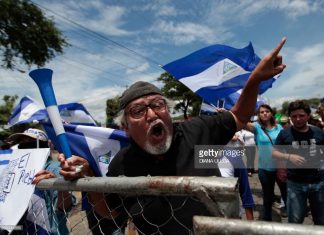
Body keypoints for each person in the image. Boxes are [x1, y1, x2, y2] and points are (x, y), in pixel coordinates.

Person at [59, 38, 286, 233]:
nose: (151, 114)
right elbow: (111, 212)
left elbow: (237, 116)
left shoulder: (197, 130)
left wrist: (255, 79)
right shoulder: (122, 164)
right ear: (126, 127)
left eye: (158, 105)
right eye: (138, 111)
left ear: (168, 112)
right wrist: (87, 179)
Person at [8, 128, 73, 235]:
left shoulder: (55, 168)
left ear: (41, 145)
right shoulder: (15, 172)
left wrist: (59, 183)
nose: (23, 145)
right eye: (21, 142)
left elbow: (64, 208)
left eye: (28, 141)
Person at [272, 100, 324, 225]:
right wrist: (289, 156)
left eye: (301, 116)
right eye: (294, 116)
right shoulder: (285, 133)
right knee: (295, 220)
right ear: (290, 117)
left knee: (321, 220)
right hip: (295, 183)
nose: (298, 119)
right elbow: (274, 152)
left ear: (308, 116)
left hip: (318, 182)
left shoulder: (317, 132)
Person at [245, 104, 287, 221]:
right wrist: (227, 113)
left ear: (271, 113)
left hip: (280, 166)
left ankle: (286, 208)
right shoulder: (256, 127)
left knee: (285, 191)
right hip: (265, 168)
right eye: (262, 112)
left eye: (267, 111)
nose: (264, 113)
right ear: (258, 115)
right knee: (268, 195)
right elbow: (241, 123)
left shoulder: (279, 127)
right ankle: (267, 217)